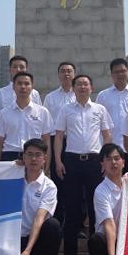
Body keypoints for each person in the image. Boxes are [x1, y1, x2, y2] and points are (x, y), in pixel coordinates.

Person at [53, 74, 113, 255]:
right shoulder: (66, 109)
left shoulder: (100, 109)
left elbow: (107, 136)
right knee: (72, 210)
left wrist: (106, 160)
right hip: (72, 161)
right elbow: (59, 136)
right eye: (78, 84)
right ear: (73, 88)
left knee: (97, 210)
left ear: (91, 88)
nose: (82, 87)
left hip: (95, 163)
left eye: (86, 84)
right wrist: (58, 161)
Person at [7, 138, 61, 255]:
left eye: (38, 155)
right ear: (23, 157)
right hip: (12, 240)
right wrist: (10, 167)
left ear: (45, 159)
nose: (33, 159)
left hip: (35, 242)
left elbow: (39, 218)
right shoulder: (11, 178)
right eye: (29, 154)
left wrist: (28, 250)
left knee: (52, 226)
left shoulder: (49, 187)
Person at [0, 72, 54, 161]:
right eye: (19, 83)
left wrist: (46, 166)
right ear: (13, 86)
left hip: (34, 156)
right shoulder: (4, 113)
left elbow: (46, 140)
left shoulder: (43, 112)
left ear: (32, 87)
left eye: (27, 84)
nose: (23, 87)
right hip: (9, 156)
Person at [43, 61, 77, 222]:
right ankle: (58, 220)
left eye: (69, 71)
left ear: (74, 74)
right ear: (58, 75)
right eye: (63, 71)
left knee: (74, 182)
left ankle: (75, 222)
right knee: (58, 182)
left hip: (75, 142)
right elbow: (47, 123)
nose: (66, 74)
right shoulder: (51, 98)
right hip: (56, 142)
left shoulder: (79, 94)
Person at [94, 58, 128, 145]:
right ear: (111, 74)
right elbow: (96, 121)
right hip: (111, 146)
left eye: (123, 71)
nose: (120, 74)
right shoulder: (103, 96)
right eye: (116, 72)